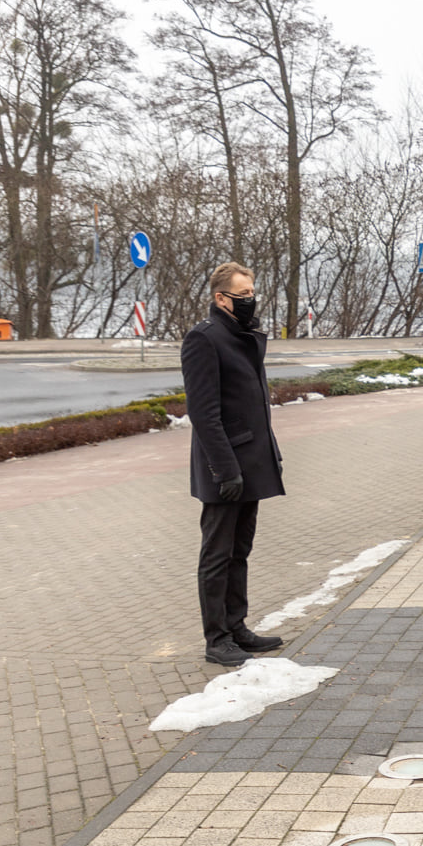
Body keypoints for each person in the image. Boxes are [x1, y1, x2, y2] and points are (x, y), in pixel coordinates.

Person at [181, 261, 286, 667]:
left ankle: (237, 625)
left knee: (240, 550)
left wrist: (270, 453)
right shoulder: (204, 339)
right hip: (224, 467)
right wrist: (225, 470)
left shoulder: (243, 335)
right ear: (220, 298)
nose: (251, 300)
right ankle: (217, 637)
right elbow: (204, 414)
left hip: (252, 461)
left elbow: (256, 405)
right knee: (217, 554)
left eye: (252, 293)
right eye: (243, 295)